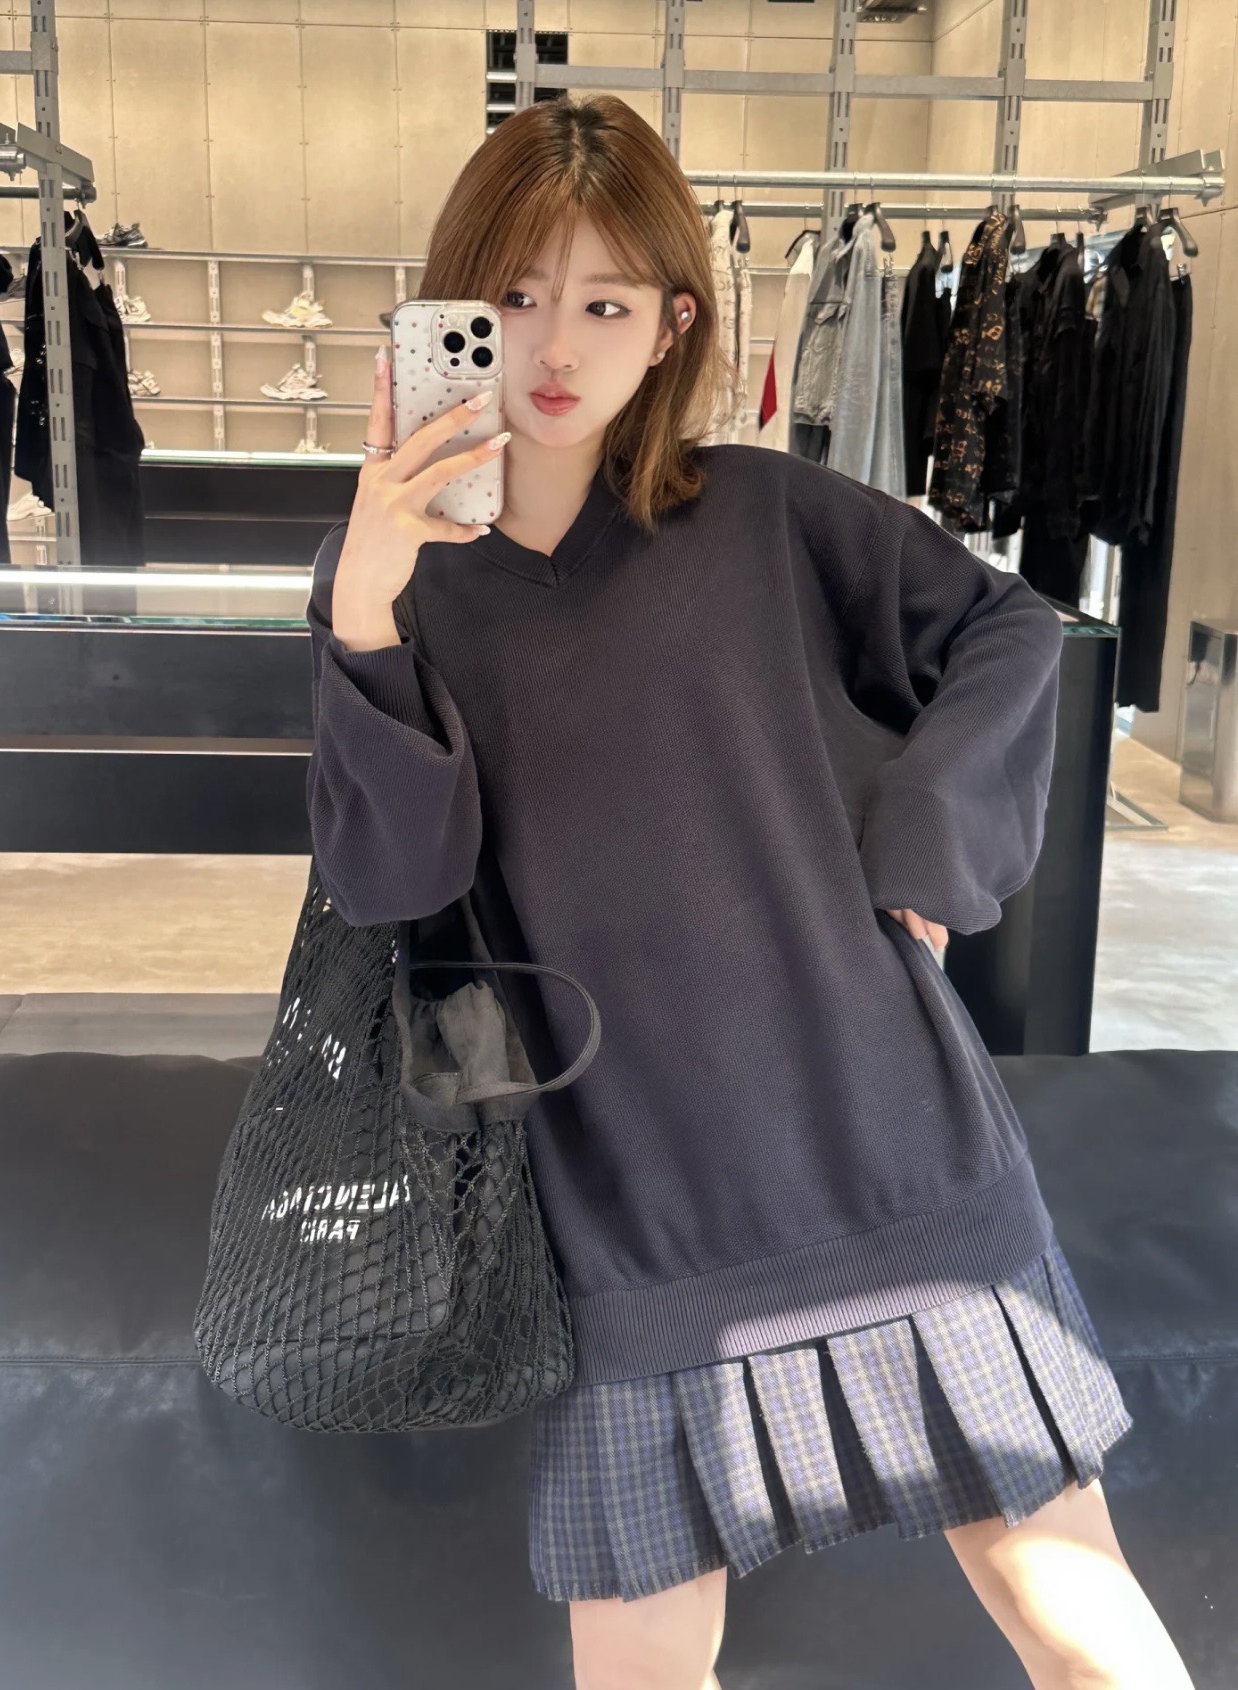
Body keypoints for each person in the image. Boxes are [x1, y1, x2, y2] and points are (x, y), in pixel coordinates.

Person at [307, 95, 1195, 1690]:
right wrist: (367, 613)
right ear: (450, 308)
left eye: (606, 303)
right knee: (643, 1672)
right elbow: (395, 880)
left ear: (674, 323)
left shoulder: (766, 517)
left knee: (1080, 1630)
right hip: (623, 1201)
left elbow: (1009, 628)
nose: (554, 346)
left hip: (881, 1139)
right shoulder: (398, 581)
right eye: (514, 296)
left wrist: (929, 840)